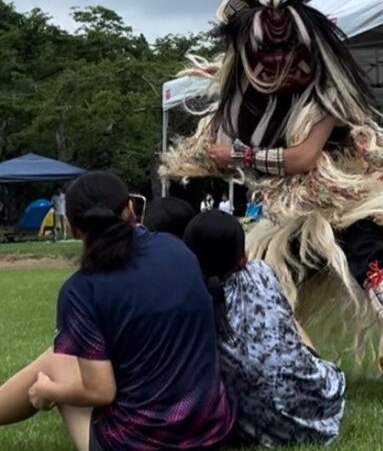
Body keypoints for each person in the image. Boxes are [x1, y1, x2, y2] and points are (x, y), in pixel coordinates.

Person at [162, 0, 383, 391]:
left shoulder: (328, 95)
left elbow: (304, 157)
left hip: (348, 193)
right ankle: (298, 360)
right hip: (293, 210)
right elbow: (232, 28)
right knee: (272, 279)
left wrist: (237, 156)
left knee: (368, 254)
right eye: (269, 56)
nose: (280, 67)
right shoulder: (254, 96)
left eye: (290, 56)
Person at [0, 172, 234, 450]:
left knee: (54, 361)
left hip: (140, 443)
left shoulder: (81, 290)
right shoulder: (177, 250)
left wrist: (48, 392)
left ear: (74, 230)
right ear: (131, 209)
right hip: (212, 432)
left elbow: (101, 390)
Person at [184, 212, 346, 447]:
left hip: (263, 430)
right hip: (322, 401)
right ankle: (308, 363)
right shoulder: (260, 273)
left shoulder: (195, 306)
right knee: (288, 319)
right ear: (244, 256)